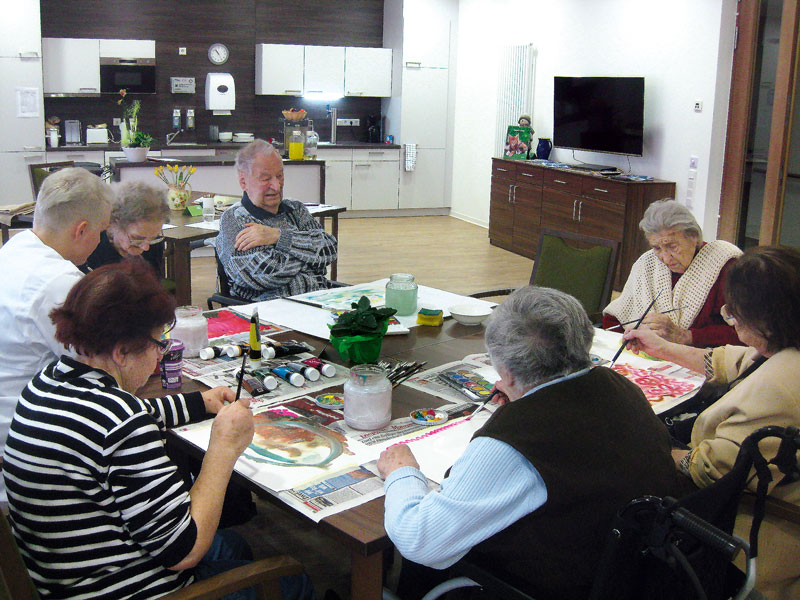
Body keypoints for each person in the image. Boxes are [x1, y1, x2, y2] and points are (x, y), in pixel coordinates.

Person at [2, 261, 314, 600]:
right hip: (127, 590)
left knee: (233, 544)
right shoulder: (121, 420)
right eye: (157, 344)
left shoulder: (48, 383)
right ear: (121, 352)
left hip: (64, 576)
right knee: (292, 579)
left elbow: (132, 415)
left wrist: (201, 403)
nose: (159, 357)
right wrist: (223, 448)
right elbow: (186, 552)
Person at [378, 286, 681, 600]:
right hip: (638, 571)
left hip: (548, 583)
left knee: (424, 545)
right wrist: (523, 396)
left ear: (506, 374)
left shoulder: (516, 440)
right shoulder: (620, 386)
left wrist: (403, 472)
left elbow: (419, 542)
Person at [622, 246, 800, 600]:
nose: (729, 319)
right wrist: (663, 348)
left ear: (764, 320)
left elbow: (712, 470)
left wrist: (650, 444)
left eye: (733, 314)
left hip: (756, 534)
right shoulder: (784, 344)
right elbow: (735, 361)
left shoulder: (779, 390)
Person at [0, 167, 112, 502]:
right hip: (28, 454)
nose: (99, 242)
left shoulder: (13, 249)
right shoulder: (59, 281)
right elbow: (107, 370)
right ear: (82, 230)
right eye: (101, 233)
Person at [603, 199, 742, 347]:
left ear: (694, 237)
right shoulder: (647, 264)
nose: (665, 258)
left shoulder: (726, 267)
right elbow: (615, 318)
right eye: (657, 248)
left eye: (672, 246)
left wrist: (686, 336)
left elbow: (746, 336)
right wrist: (630, 336)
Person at [216, 139, 338, 301]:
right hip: (270, 315)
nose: (276, 185)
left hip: (319, 302)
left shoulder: (295, 209)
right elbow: (265, 273)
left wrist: (279, 237)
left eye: (279, 176)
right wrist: (310, 259)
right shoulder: (235, 219)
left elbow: (329, 250)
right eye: (266, 179)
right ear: (243, 182)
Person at [85, 180, 170, 275]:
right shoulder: (92, 245)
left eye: (153, 238)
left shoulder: (153, 243)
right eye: (137, 238)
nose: (146, 247)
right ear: (112, 224)